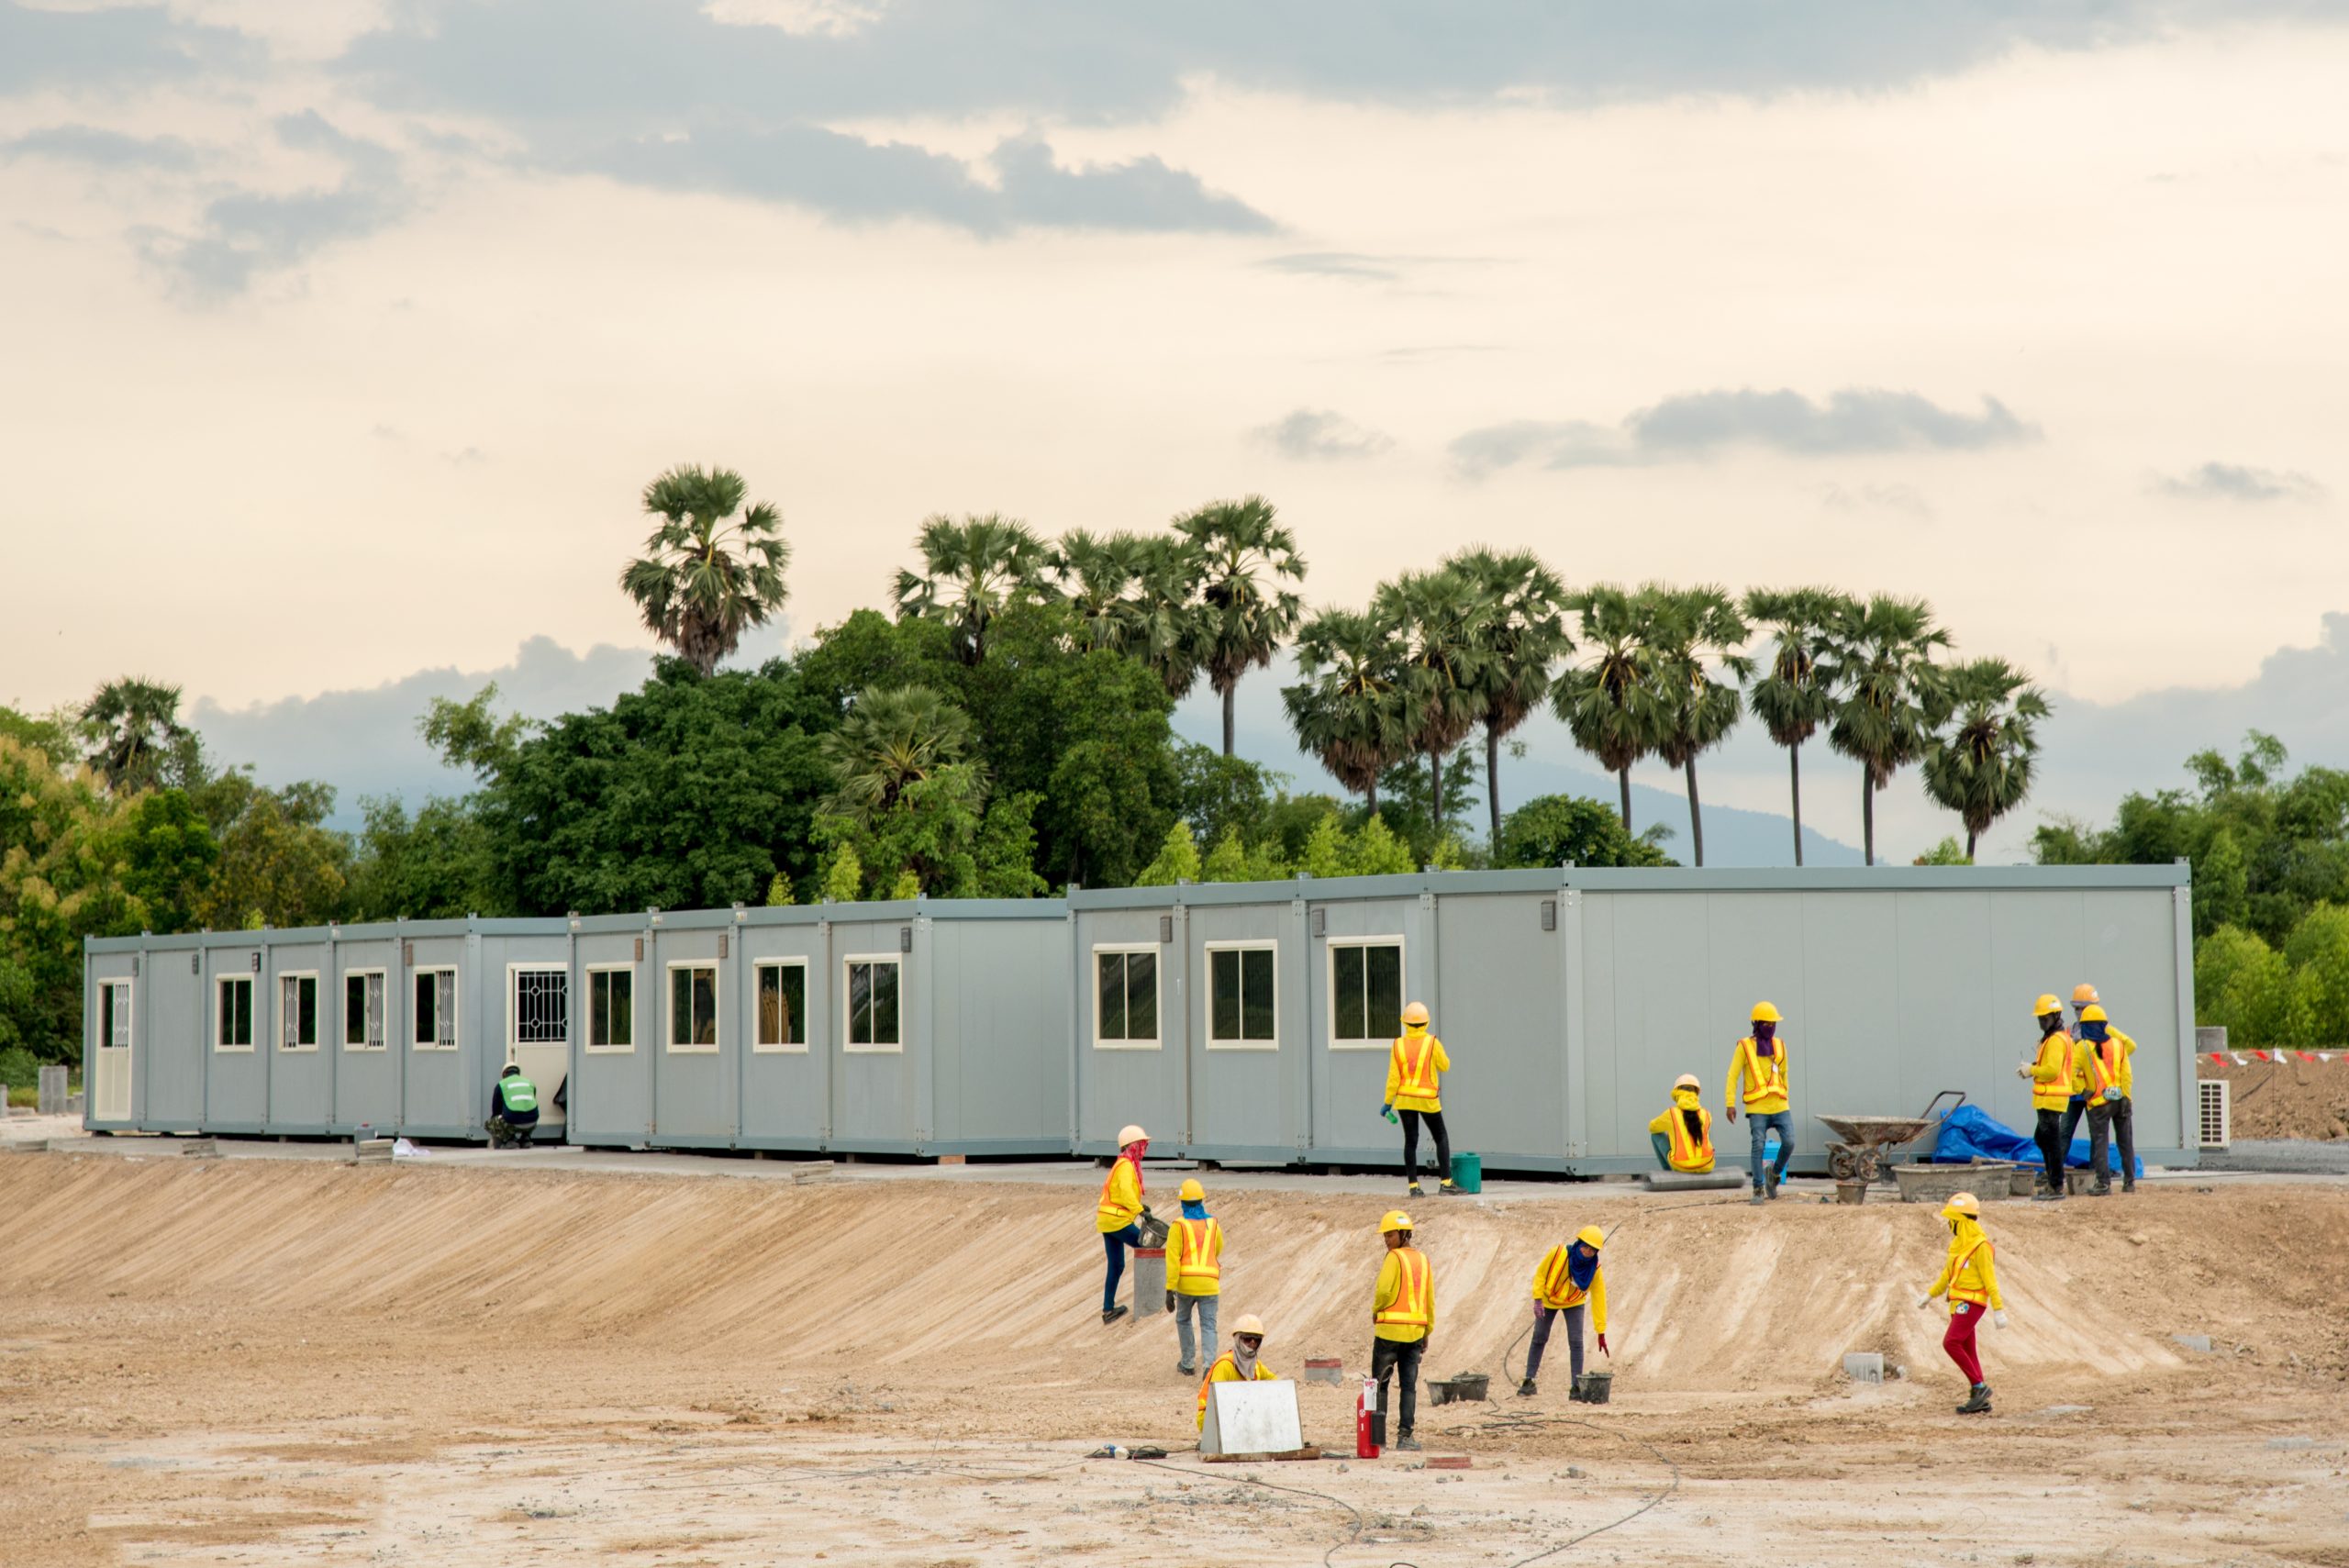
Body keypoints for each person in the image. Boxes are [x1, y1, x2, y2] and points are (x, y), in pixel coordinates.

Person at [1916, 1190, 2009, 1415]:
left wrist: (1998, 1309)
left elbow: (1990, 1280)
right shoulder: (1958, 1246)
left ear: (1960, 1222)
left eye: (1952, 1220)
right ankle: (1979, 1396)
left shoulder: (1981, 1246)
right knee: (1968, 1348)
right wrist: (1929, 1296)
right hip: (1957, 1303)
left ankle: (1979, 1387)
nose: (1949, 1225)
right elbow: (1947, 1276)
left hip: (1972, 1303)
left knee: (1951, 1342)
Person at [1370, 1209, 1434, 1451]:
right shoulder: (1423, 1261)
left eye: (1390, 1235)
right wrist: (1427, 1330)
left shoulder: (1393, 1258)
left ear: (1403, 1234)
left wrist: (1376, 1310)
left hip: (1388, 1334)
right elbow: (1429, 1301)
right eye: (1385, 1236)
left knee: (1380, 1385)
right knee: (1409, 1387)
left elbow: (1384, 1291)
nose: (1386, 1240)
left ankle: (1378, 1440)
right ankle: (1405, 1437)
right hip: (1414, 1335)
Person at [1519, 1225, 1609, 1397]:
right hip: (1548, 1300)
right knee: (1539, 1337)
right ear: (1579, 1243)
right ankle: (1529, 1381)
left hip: (1574, 1302)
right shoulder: (1558, 1253)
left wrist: (1601, 1330)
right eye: (1585, 1247)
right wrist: (1537, 1299)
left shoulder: (1594, 1270)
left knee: (1576, 1342)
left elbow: (1599, 1299)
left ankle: (1576, 1387)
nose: (1587, 1252)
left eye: (1592, 1250)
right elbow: (1540, 1274)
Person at [1384, 1001, 1460, 1198]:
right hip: (1427, 1099)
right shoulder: (1432, 1043)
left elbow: (1393, 1078)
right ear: (1426, 1023)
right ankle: (1446, 1183)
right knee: (1440, 1137)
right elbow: (1445, 1066)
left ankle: (1414, 1187)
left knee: (1411, 1141)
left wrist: (1387, 1102)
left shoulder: (1398, 1044)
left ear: (1405, 1023)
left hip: (1404, 1099)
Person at [1723, 1002, 1793, 1204]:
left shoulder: (1780, 1045)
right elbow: (1733, 1075)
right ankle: (1758, 1188)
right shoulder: (1745, 1047)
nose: (1770, 1027)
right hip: (1757, 1108)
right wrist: (1730, 1103)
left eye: (1773, 1024)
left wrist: (1785, 1096)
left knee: (1789, 1142)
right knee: (1758, 1145)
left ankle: (1774, 1174)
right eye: (1766, 1024)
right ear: (1757, 1024)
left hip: (1780, 1105)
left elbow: (1785, 1074)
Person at [2076, 1004, 2137, 1195]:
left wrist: (2082, 1090)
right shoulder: (2118, 1045)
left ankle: (2103, 1183)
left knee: (2100, 1142)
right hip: (2120, 1099)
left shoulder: (2082, 1047)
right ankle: (2129, 1182)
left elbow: (2071, 1073)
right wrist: (2127, 1097)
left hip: (2098, 1103)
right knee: (2125, 1142)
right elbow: (2126, 1074)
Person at [1165, 1177, 1224, 1375]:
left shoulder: (1178, 1225)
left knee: (1183, 1320)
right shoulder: (1213, 1223)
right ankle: (1209, 1366)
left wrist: (1169, 1288)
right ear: (1201, 1200)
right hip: (1209, 1283)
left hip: (1186, 1284)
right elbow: (1218, 1248)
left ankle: (1188, 1363)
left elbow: (1172, 1259)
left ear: (1182, 1202)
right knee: (1209, 1325)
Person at [2016, 994, 2073, 1200]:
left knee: (2051, 1142)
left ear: (2056, 1016)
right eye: (2040, 1018)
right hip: (2048, 1098)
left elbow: (2051, 1071)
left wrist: (2031, 1070)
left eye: (2045, 1018)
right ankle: (2053, 1180)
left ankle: (2055, 1185)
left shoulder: (2056, 1040)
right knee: (2042, 1139)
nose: (2042, 1022)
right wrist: (2032, 1067)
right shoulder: (2053, 1038)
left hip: (2052, 1098)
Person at [1096, 1123, 1152, 1325]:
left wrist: (1139, 1207)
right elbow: (1127, 1193)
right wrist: (1140, 1211)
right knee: (1147, 1247)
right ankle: (1152, 1299)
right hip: (1117, 1220)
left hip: (1107, 1220)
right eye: (1142, 1145)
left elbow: (1121, 1193)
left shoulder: (1122, 1164)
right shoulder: (1127, 1166)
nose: (1144, 1149)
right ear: (1133, 1146)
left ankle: (1108, 1310)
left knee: (1117, 1265)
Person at [1194, 1314, 1277, 1431]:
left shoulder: (1256, 1365)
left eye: (1257, 1339)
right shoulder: (1225, 1364)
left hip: (1236, 1414)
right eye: (1247, 1338)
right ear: (1238, 1338)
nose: (1253, 1342)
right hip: (1210, 1418)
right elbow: (1217, 1402)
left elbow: (1277, 1385)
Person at [1647, 1074, 1714, 1173]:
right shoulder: (1706, 1114)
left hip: (1681, 1166)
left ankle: (1668, 1172)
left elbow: (1652, 1127)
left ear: (1676, 1093)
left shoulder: (1671, 1113)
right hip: (1706, 1165)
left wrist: (1670, 1133)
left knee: (1656, 1135)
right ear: (1696, 1093)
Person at [485, 1062, 539, 1149]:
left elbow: (496, 1111)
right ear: (518, 1072)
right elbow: (532, 1103)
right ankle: (526, 1139)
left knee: (490, 1123)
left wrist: (497, 1134)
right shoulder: (530, 1083)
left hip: (512, 1123)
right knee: (529, 1112)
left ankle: (509, 1140)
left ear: (504, 1074)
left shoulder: (501, 1085)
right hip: (532, 1121)